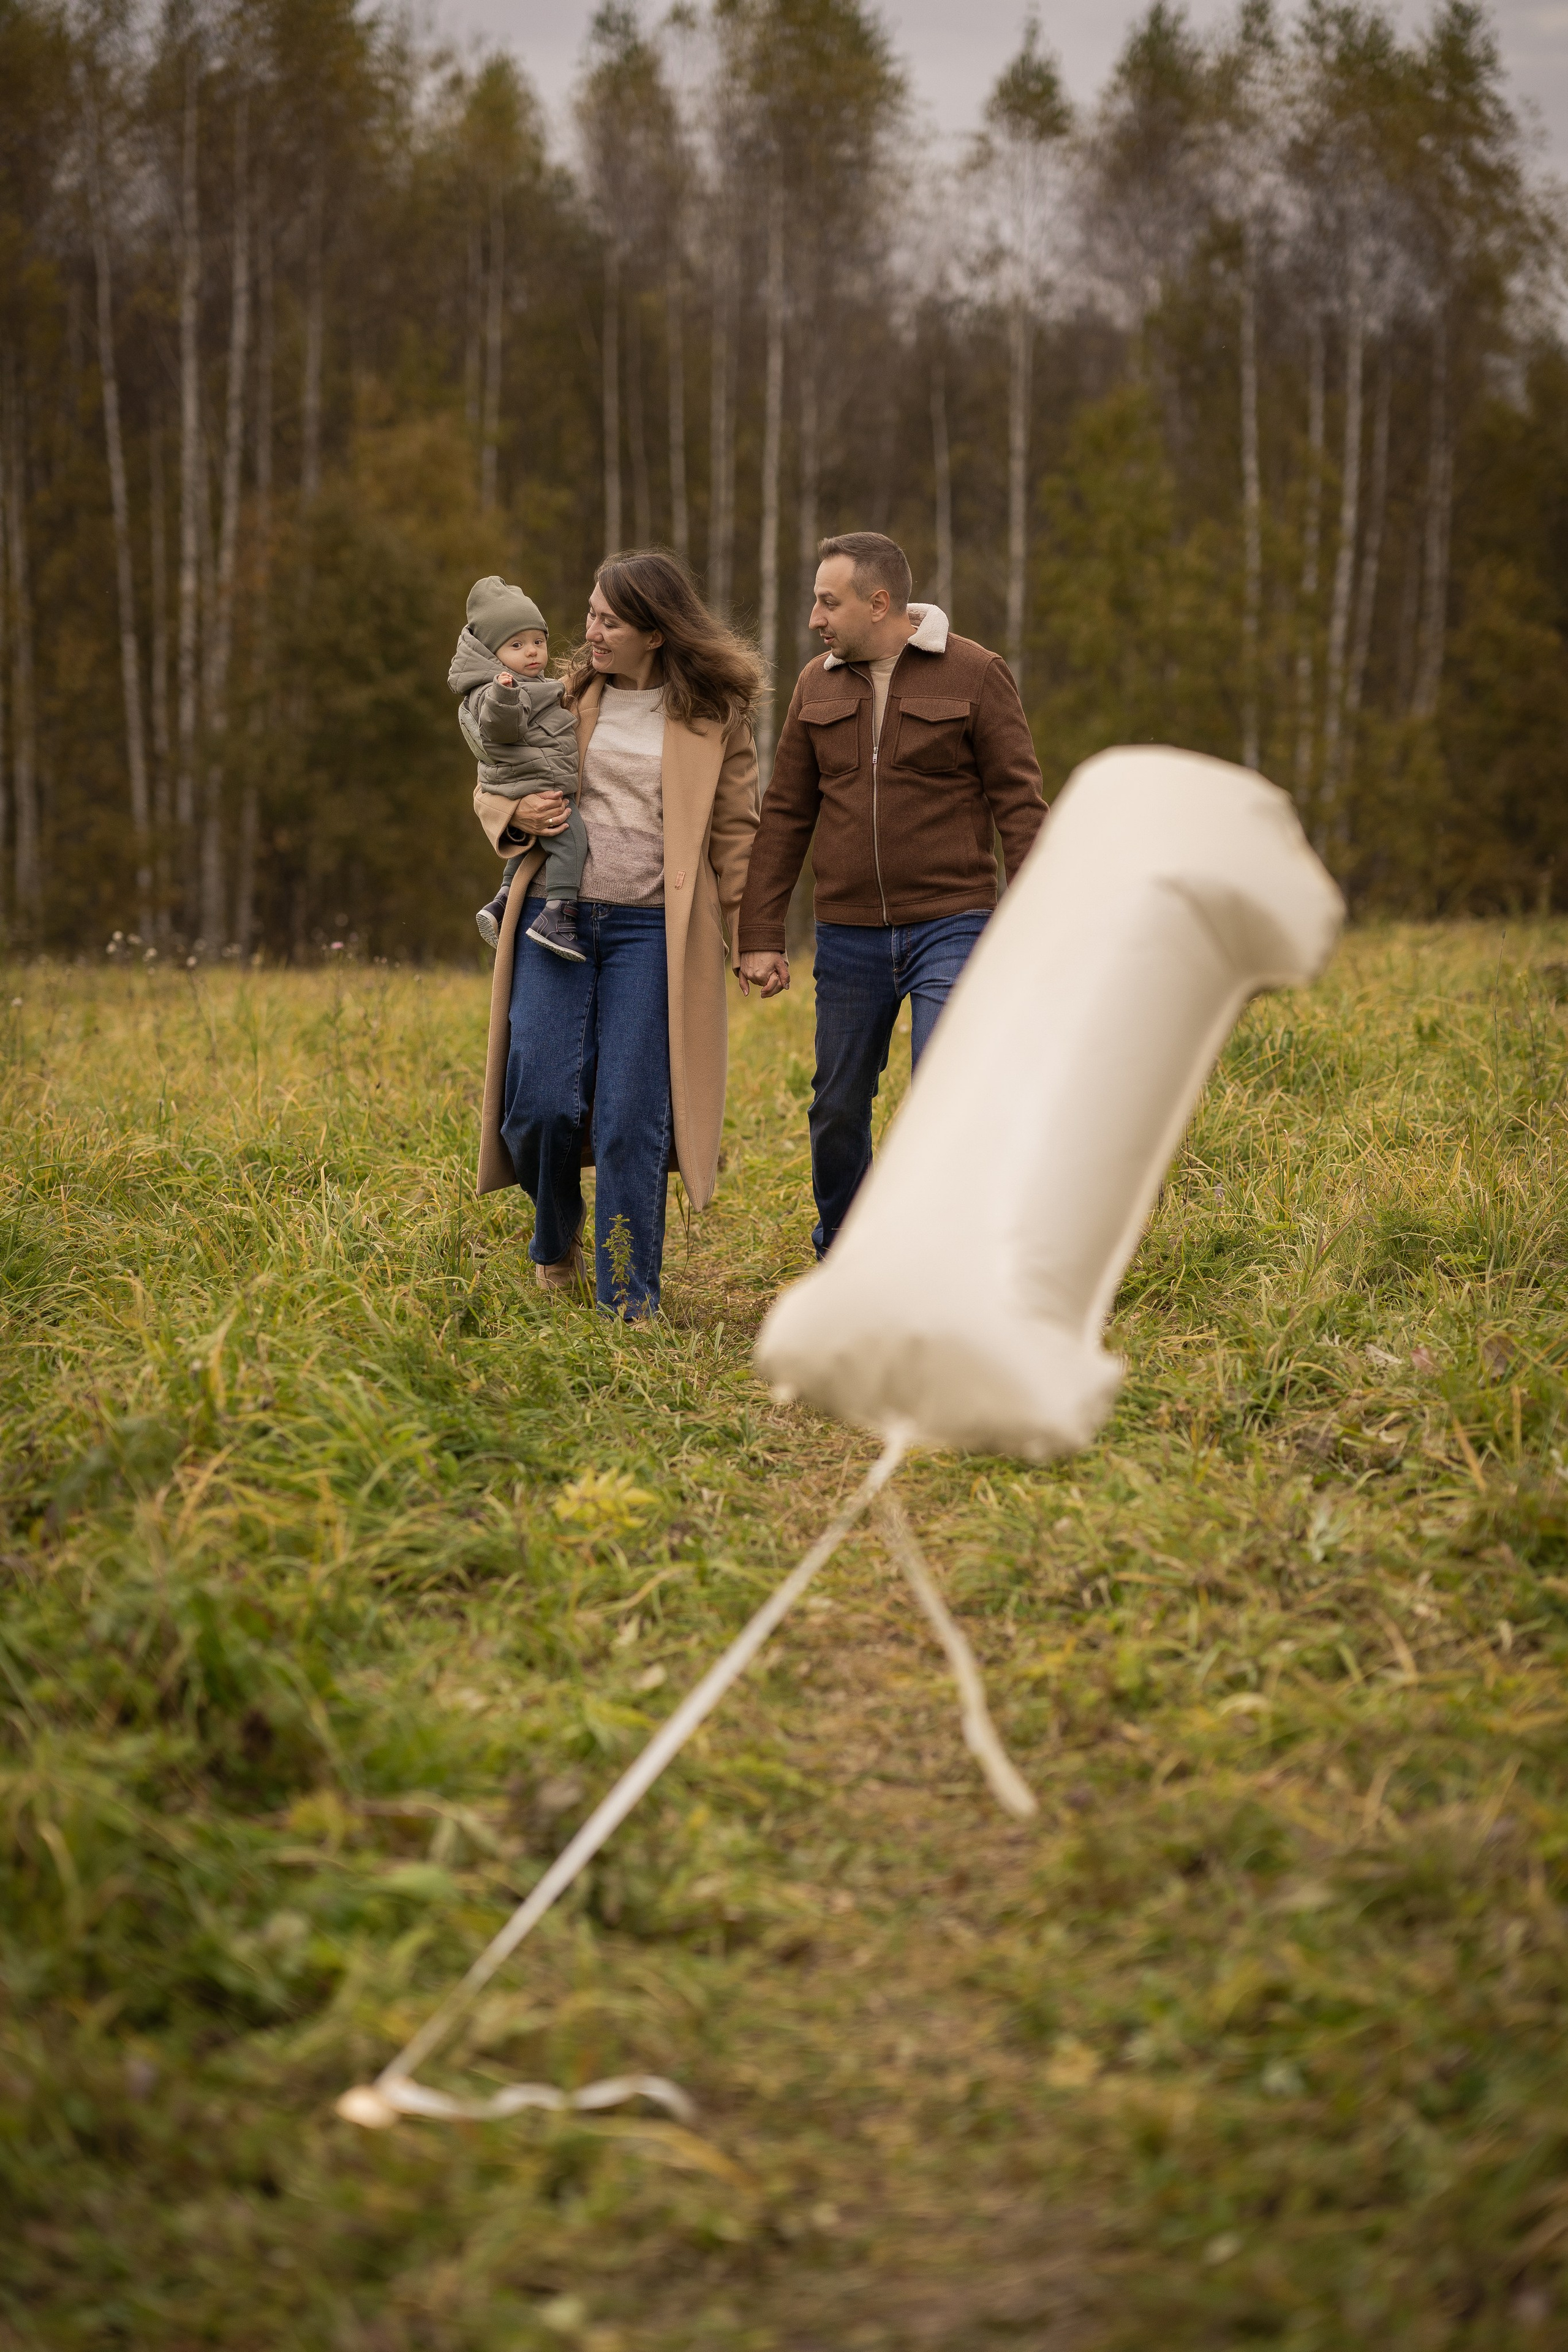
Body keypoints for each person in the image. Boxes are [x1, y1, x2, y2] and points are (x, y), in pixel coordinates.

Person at [736, 530, 1047, 1257]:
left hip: (955, 923)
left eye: (827, 602)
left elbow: (1021, 807)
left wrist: (1035, 927)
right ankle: (846, 1251)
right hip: (848, 935)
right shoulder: (817, 685)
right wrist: (759, 933)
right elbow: (785, 813)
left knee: (948, 1091)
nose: (815, 618)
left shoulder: (975, 673)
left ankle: (948, 1253)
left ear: (879, 604)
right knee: (838, 1107)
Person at [473, 549, 763, 1318]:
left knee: (633, 1117)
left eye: (610, 620)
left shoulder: (712, 717)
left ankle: (628, 1302)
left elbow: (736, 835)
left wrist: (751, 938)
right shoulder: (563, 697)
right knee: (540, 1105)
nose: (591, 631)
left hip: (652, 935)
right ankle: (554, 1234)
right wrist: (514, 817)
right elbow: (494, 771)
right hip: (554, 921)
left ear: (655, 632)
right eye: (592, 614)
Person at [448, 577, 584, 957]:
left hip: (528, 778)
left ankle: (503, 901)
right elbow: (500, 727)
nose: (532, 653)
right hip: (533, 784)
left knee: (529, 850)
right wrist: (505, 695)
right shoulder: (499, 689)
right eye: (517, 645)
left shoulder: (530, 682)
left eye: (538, 642)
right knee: (572, 840)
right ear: (492, 654)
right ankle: (557, 914)